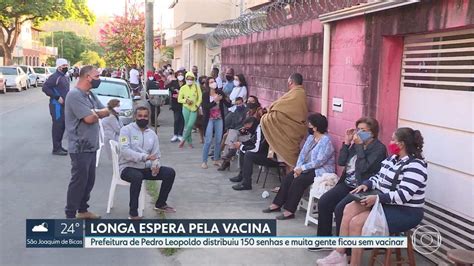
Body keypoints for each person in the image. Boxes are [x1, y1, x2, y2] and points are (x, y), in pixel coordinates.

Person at [317, 127, 427, 266]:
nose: (390, 142)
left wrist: (377, 199)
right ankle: (340, 254)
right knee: (348, 208)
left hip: (405, 211)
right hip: (386, 202)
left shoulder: (416, 166)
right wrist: (367, 184)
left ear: (401, 144)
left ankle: (355, 263)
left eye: (393, 139)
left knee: (357, 222)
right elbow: (378, 177)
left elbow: (403, 196)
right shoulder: (393, 159)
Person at [313, 117, 387, 244]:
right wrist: (347, 143)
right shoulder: (356, 144)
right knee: (324, 201)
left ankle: (344, 249)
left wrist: (359, 146)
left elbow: (363, 168)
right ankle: (324, 240)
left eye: (363, 130)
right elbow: (341, 161)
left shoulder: (379, 149)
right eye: (358, 129)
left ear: (372, 133)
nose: (358, 133)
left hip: (362, 187)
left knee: (340, 209)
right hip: (347, 183)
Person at [263, 113, 335, 220]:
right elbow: (302, 154)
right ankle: (277, 204)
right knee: (288, 177)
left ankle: (289, 211)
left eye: (310, 124)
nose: (308, 126)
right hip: (305, 168)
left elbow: (319, 161)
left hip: (320, 170)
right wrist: (298, 168)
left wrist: (302, 169)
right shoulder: (311, 138)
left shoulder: (326, 141)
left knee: (298, 181)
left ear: (315, 127)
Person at [64, 65, 110, 219]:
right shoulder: (74, 95)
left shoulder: (89, 95)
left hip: (91, 145)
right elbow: (89, 119)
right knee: (78, 182)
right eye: (96, 76)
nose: (99, 79)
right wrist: (98, 113)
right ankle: (70, 215)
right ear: (87, 77)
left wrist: (97, 112)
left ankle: (83, 210)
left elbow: (105, 110)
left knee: (89, 181)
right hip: (80, 146)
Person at [119, 106, 176, 219]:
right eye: (140, 116)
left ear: (149, 117)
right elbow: (124, 151)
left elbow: (156, 155)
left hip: (146, 168)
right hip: (128, 167)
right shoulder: (126, 130)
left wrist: (156, 166)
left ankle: (160, 204)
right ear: (135, 116)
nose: (142, 118)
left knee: (169, 172)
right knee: (137, 176)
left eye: (145, 116)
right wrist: (144, 157)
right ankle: (133, 213)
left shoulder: (152, 134)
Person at [260, 73, 308, 167]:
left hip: (292, 130)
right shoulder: (296, 93)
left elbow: (278, 108)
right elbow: (280, 108)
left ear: (290, 82)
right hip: (288, 128)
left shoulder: (298, 94)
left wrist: (268, 115)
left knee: (290, 161)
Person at [230, 117, 279, 191]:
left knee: (248, 154)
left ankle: (246, 183)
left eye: (248, 128)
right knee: (243, 150)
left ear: (252, 124)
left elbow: (257, 148)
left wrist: (241, 146)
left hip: (271, 157)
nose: (247, 130)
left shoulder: (260, 128)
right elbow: (253, 141)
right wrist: (242, 145)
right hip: (265, 153)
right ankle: (242, 176)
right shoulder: (257, 128)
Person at [201, 77, 232, 169]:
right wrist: (215, 101)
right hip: (209, 119)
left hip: (219, 118)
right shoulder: (205, 95)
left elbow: (227, 104)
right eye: (211, 82)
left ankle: (216, 159)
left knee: (218, 140)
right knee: (208, 140)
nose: (213, 83)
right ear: (208, 84)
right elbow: (206, 107)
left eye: (214, 81)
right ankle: (204, 161)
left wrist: (228, 99)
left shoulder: (219, 92)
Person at [42, 58, 71, 156]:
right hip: (56, 106)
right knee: (57, 126)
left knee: (62, 126)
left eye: (66, 65)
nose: (65, 67)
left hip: (64, 106)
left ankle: (59, 146)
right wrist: (57, 97)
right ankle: (56, 149)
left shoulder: (65, 76)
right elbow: (45, 88)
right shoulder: (55, 77)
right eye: (63, 66)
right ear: (58, 67)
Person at [177, 71, 202, 148]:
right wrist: (186, 101)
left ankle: (183, 140)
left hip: (194, 108)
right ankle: (190, 141)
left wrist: (197, 105)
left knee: (191, 124)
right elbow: (179, 99)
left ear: (193, 79)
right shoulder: (183, 88)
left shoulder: (196, 87)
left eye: (191, 79)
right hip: (186, 108)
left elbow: (200, 97)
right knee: (187, 126)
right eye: (188, 79)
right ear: (186, 79)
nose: (189, 80)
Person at [167, 70, 185, 142]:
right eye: (179, 74)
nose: (180, 76)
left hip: (184, 104)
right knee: (176, 119)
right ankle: (175, 134)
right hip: (176, 104)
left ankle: (180, 134)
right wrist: (174, 89)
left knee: (182, 119)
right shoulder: (173, 82)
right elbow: (167, 87)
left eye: (182, 74)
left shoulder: (186, 84)